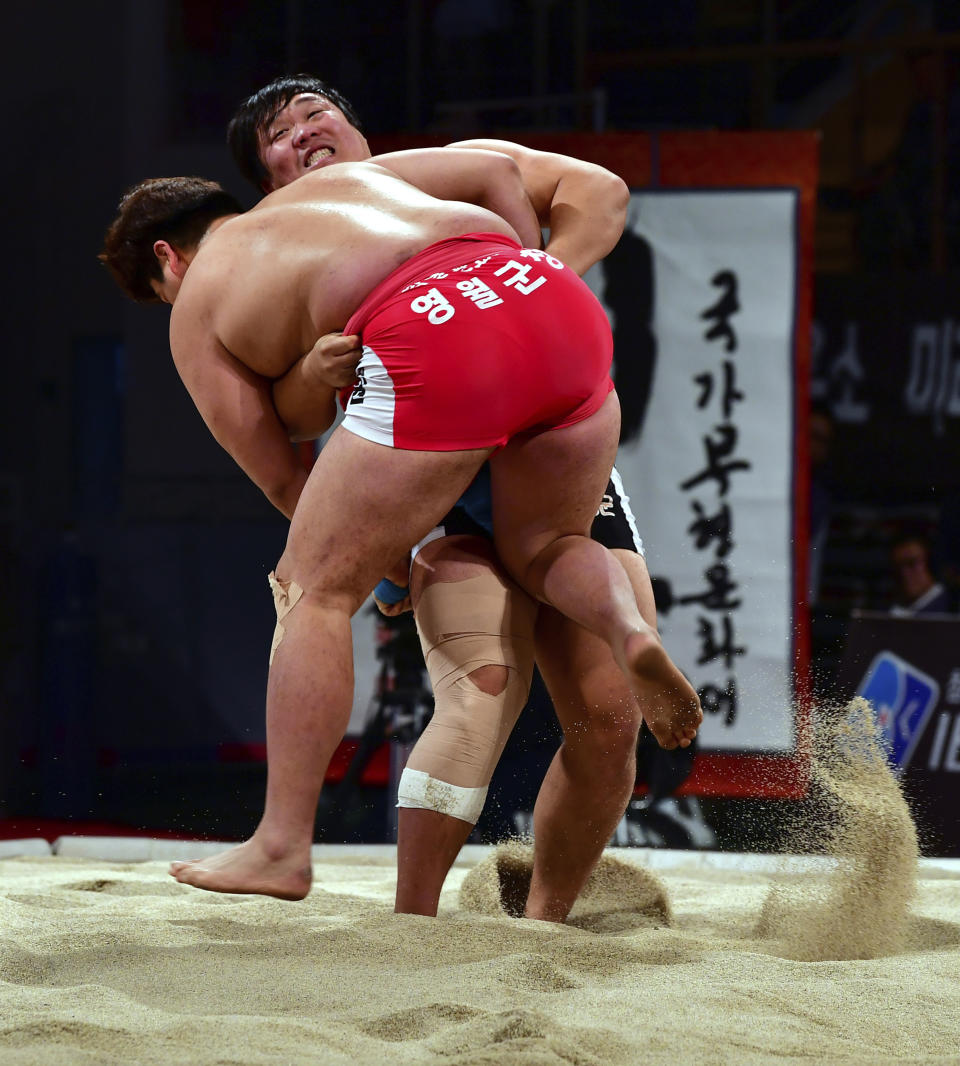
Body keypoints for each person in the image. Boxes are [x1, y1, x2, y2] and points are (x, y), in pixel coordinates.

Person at [99, 151, 702, 916]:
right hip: (546, 296)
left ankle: (282, 844)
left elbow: (288, 479)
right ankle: (626, 627)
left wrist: (376, 570)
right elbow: (500, 176)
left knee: (311, 590)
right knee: (546, 546)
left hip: (429, 339)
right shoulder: (352, 180)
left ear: (167, 258)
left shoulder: (199, 302)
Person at [888, 531, 955, 616]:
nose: (904, 573)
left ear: (931, 563)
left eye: (911, 563)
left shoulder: (951, 609)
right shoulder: (888, 611)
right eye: (897, 567)